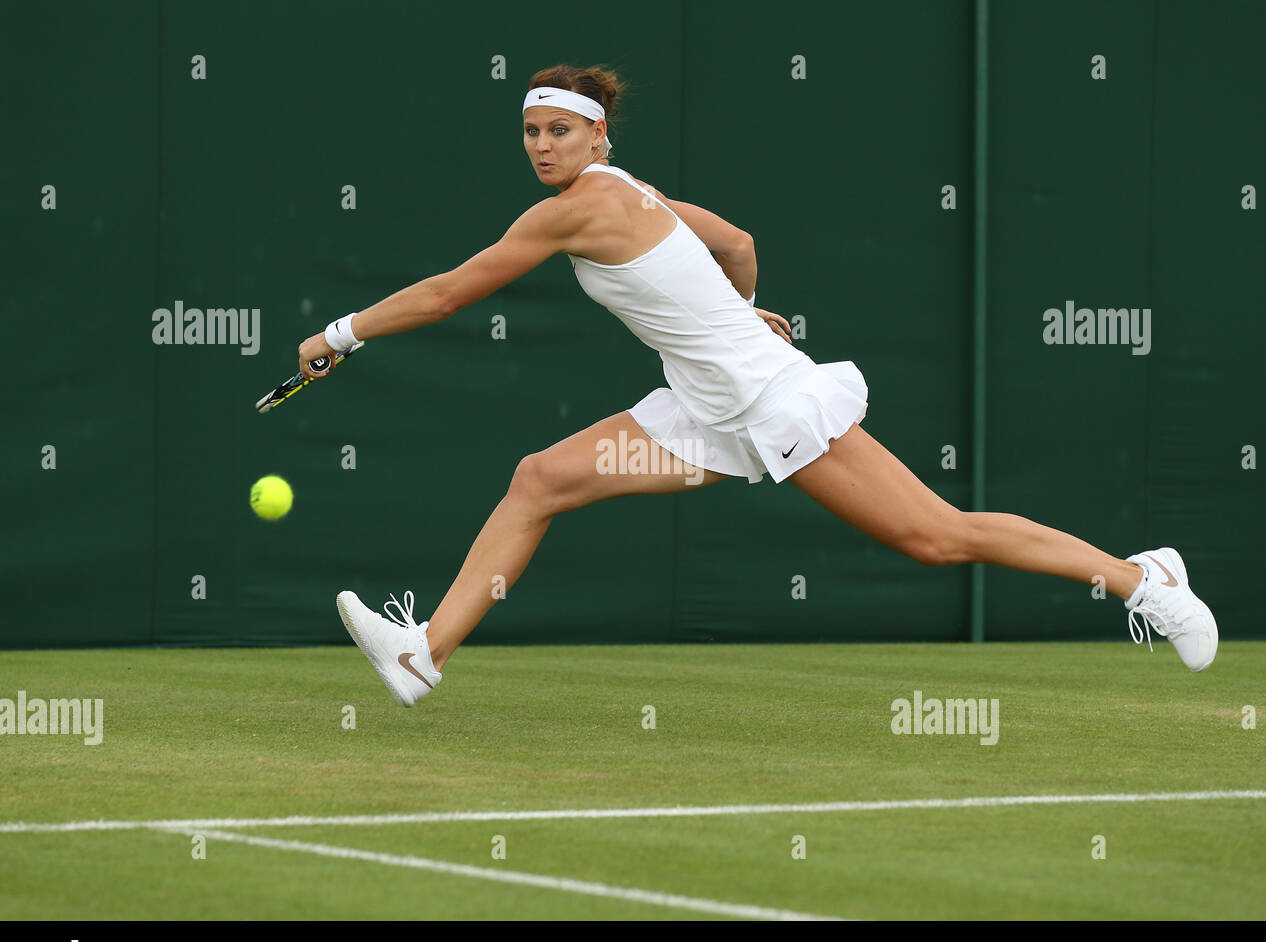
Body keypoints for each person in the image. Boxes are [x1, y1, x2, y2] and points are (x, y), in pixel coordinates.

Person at [297, 64, 1217, 708]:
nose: (543, 144)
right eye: (533, 131)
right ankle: (425, 655)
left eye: (560, 130)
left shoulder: (576, 208)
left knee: (936, 539)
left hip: (771, 404)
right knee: (541, 479)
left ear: (597, 134)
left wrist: (341, 333)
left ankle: (1144, 582)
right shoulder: (636, 189)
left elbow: (452, 293)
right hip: (704, 411)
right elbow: (736, 243)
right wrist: (745, 311)